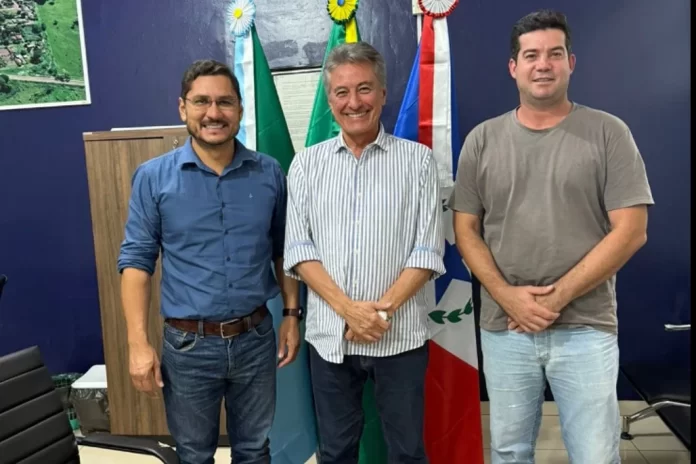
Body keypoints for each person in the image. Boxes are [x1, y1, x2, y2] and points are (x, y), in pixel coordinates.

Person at [448, 9, 654, 464]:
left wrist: (554, 299)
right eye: (531, 55)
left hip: (586, 326)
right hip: (505, 328)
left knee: (595, 455)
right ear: (513, 67)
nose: (543, 64)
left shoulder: (609, 133)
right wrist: (508, 298)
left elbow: (631, 230)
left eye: (554, 54)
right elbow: (465, 230)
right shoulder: (482, 140)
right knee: (509, 452)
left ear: (571, 63)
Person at [117, 59, 302, 464]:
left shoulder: (269, 173)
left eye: (225, 102)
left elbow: (284, 250)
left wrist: (292, 314)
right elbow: (136, 262)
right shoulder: (153, 178)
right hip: (188, 347)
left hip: (255, 340)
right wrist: (137, 344)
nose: (213, 113)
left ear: (240, 109)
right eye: (201, 101)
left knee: (254, 451)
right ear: (182, 108)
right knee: (194, 454)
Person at [283, 42, 445, 463]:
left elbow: (428, 250)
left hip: (401, 337)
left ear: (383, 93)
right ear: (330, 100)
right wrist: (349, 311)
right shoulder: (306, 166)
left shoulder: (419, 162)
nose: (354, 102)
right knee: (336, 452)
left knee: (407, 452)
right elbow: (298, 249)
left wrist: (379, 314)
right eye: (342, 92)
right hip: (330, 339)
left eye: (364, 88)